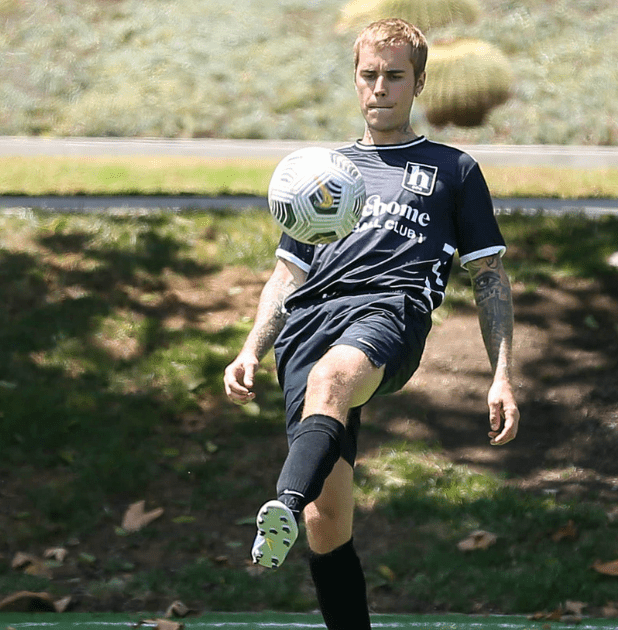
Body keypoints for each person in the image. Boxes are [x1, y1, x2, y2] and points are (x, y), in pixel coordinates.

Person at [222, 17, 519, 629]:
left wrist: (502, 376)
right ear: (356, 80)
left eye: (395, 76)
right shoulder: (322, 171)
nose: (380, 87)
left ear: (419, 83)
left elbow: (488, 276)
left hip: (390, 310)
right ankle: (306, 525)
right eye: (369, 75)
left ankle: (282, 501)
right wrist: (251, 348)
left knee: (333, 380)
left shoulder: (453, 170)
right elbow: (288, 273)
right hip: (308, 323)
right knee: (327, 525)